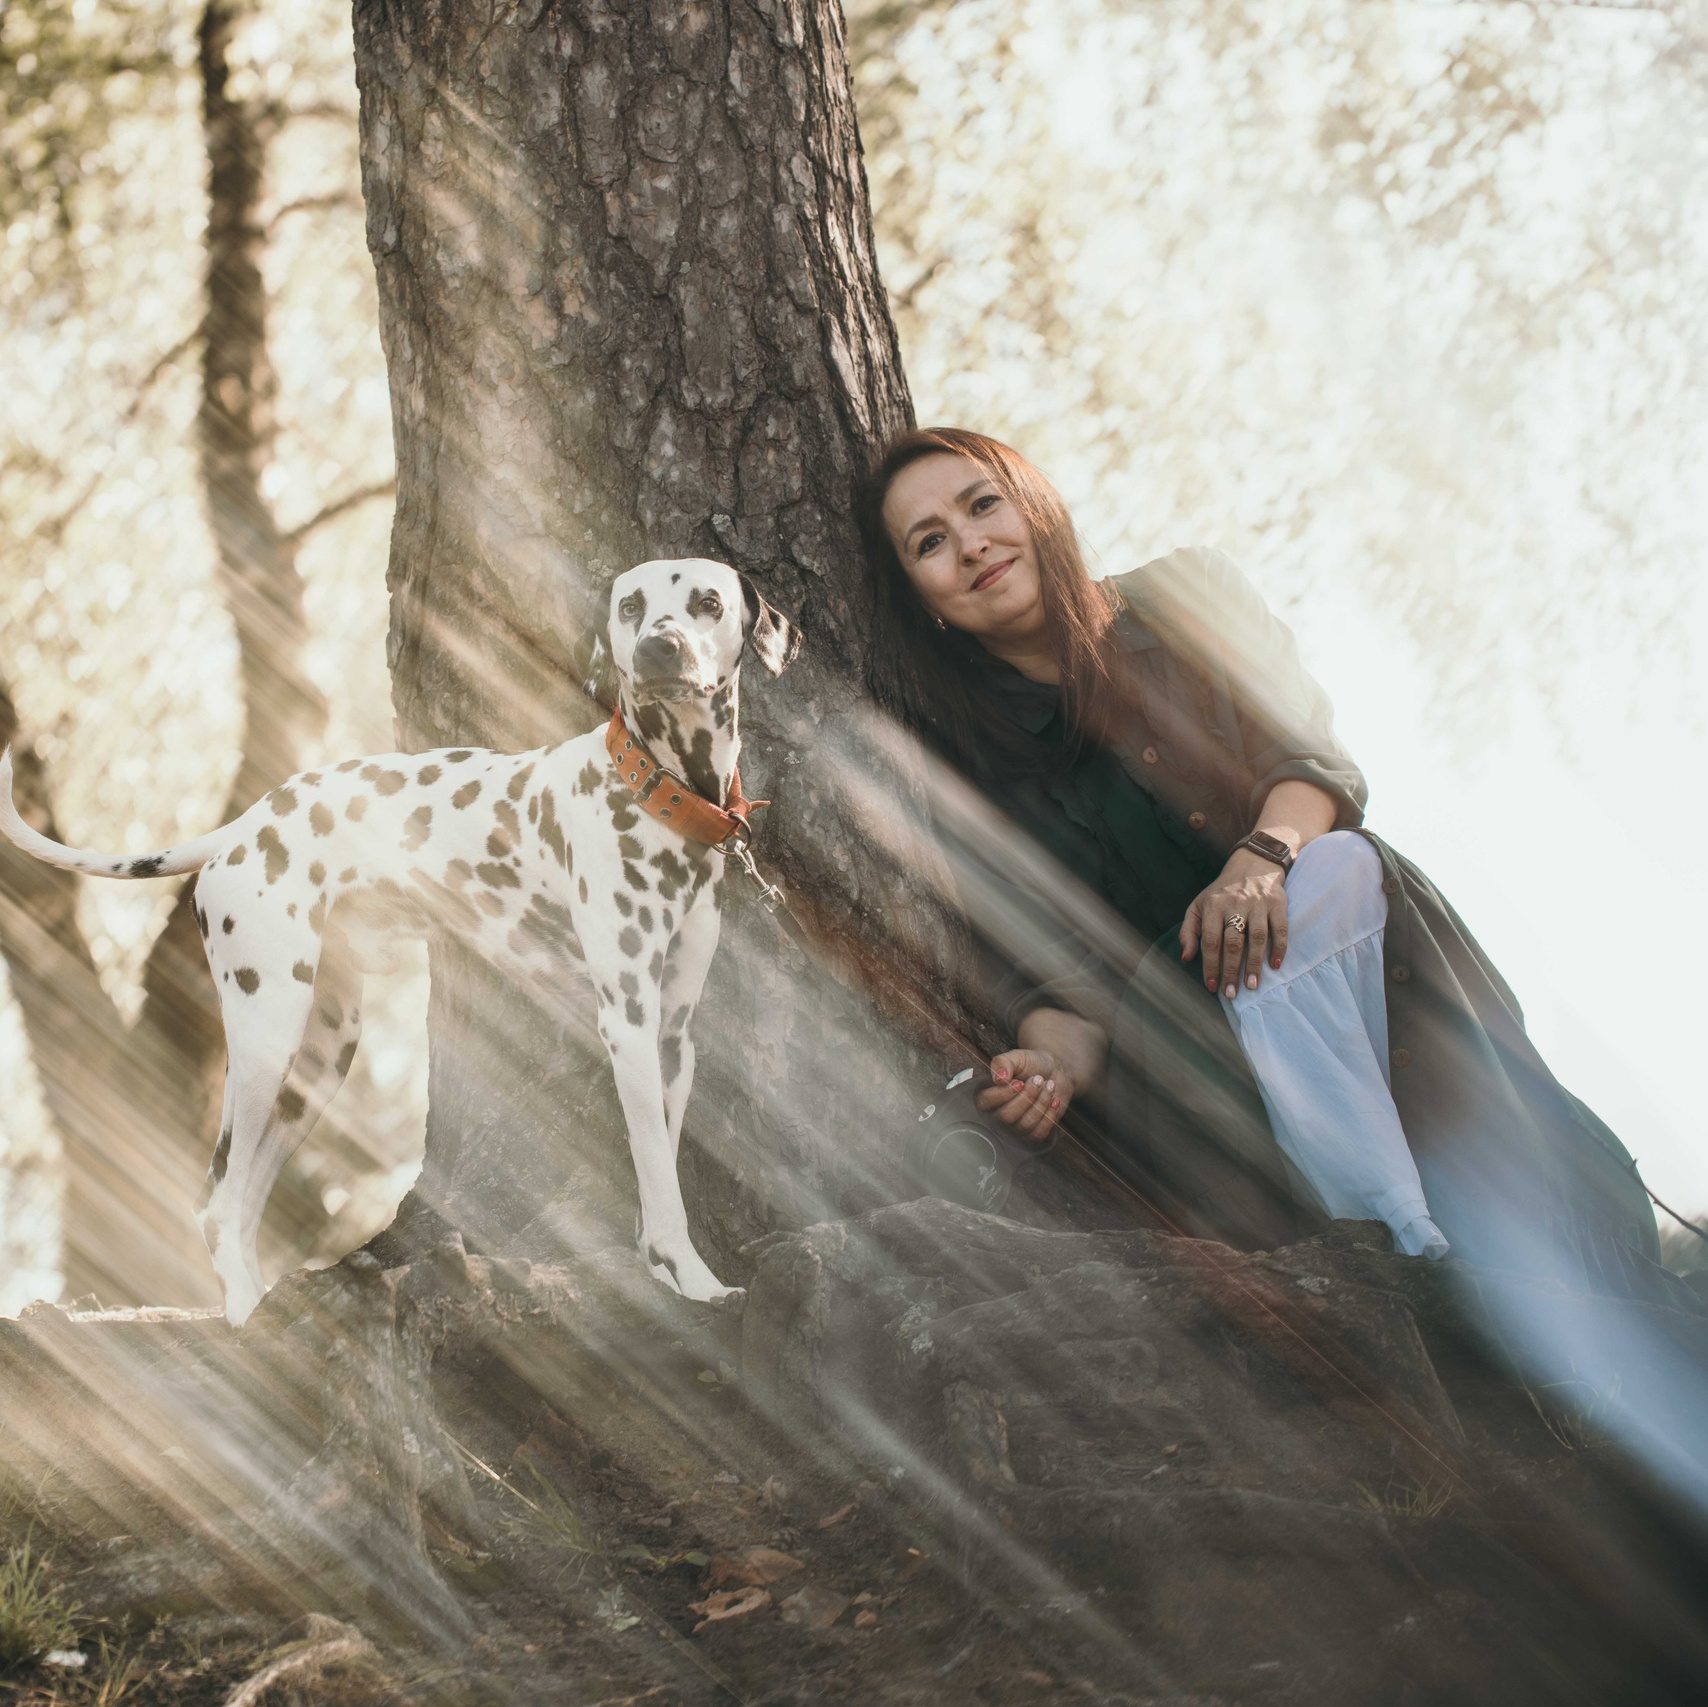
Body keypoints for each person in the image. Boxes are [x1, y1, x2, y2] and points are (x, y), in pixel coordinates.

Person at [856, 426, 1683, 1304]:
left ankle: (1460, 1253)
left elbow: (1309, 758)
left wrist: (1259, 858)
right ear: (922, 598)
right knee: (1256, 968)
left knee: (1335, 871)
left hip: (1350, 962)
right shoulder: (961, 768)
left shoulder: (1188, 593)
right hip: (1199, 1067)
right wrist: (1048, 1068)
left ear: (1036, 504)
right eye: (930, 542)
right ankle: (1411, 1269)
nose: (971, 543)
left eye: (983, 504)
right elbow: (1064, 991)